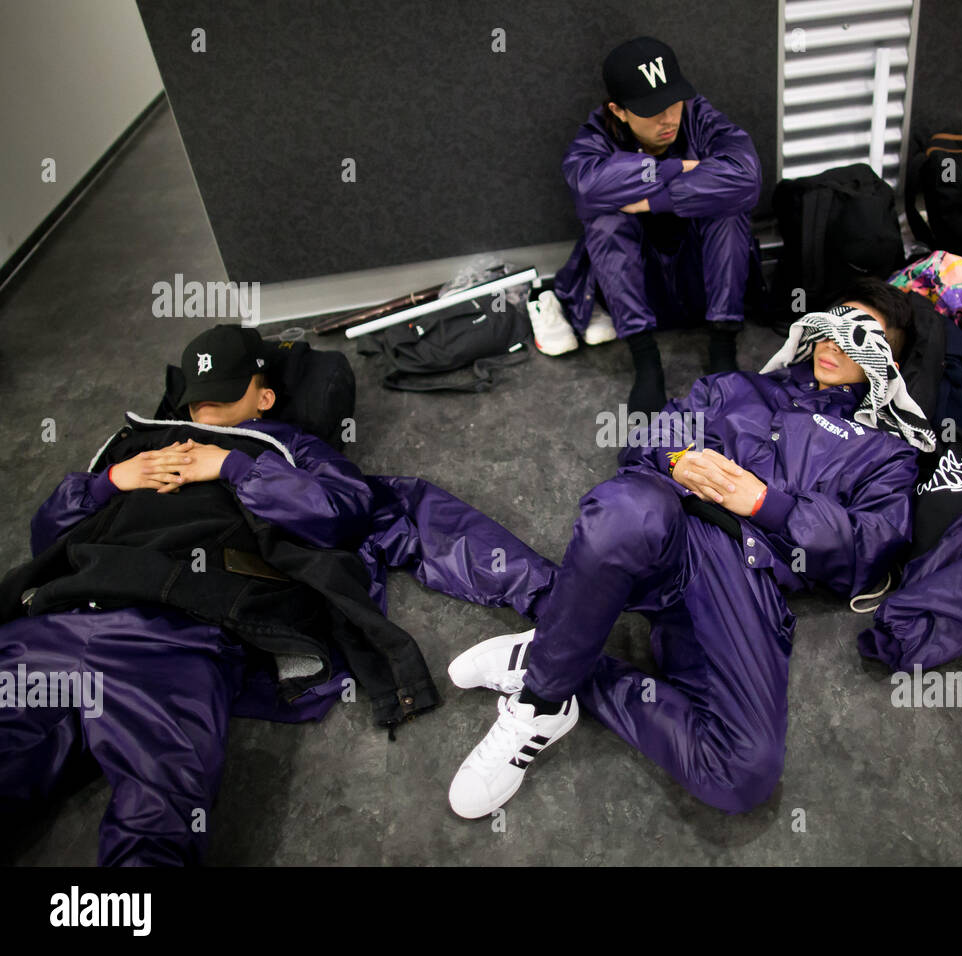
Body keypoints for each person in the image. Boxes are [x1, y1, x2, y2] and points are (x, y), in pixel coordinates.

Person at [0, 324, 553, 865]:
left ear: (264, 397)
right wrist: (108, 482)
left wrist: (235, 467)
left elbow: (345, 513)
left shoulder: (286, 449)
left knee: (155, 825)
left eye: (221, 398)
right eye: (196, 404)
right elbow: (48, 539)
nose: (205, 416)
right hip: (54, 617)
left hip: (173, 633)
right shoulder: (136, 444)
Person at [447, 279, 934, 817]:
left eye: (858, 337)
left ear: (886, 359)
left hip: (746, 578)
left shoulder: (885, 453)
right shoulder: (738, 388)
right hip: (670, 523)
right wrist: (678, 460)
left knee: (741, 774)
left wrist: (768, 504)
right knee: (624, 512)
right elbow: (651, 437)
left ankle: (561, 660)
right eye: (831, 325)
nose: (833, 344)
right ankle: (539, 703)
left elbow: (870, 548)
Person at [538, 36, 762, 416]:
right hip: (640, 295)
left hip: (704, 287)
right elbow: (589, 190)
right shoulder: (595, 138)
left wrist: (654, 197)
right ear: (619, 111)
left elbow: (746, 178)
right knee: (605, 217)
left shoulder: (698, 115)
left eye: (673, 102)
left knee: (728, 207)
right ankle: (646, 363)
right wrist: (684, 169)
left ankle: (723, 350)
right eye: (651, 110)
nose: (669, 118)